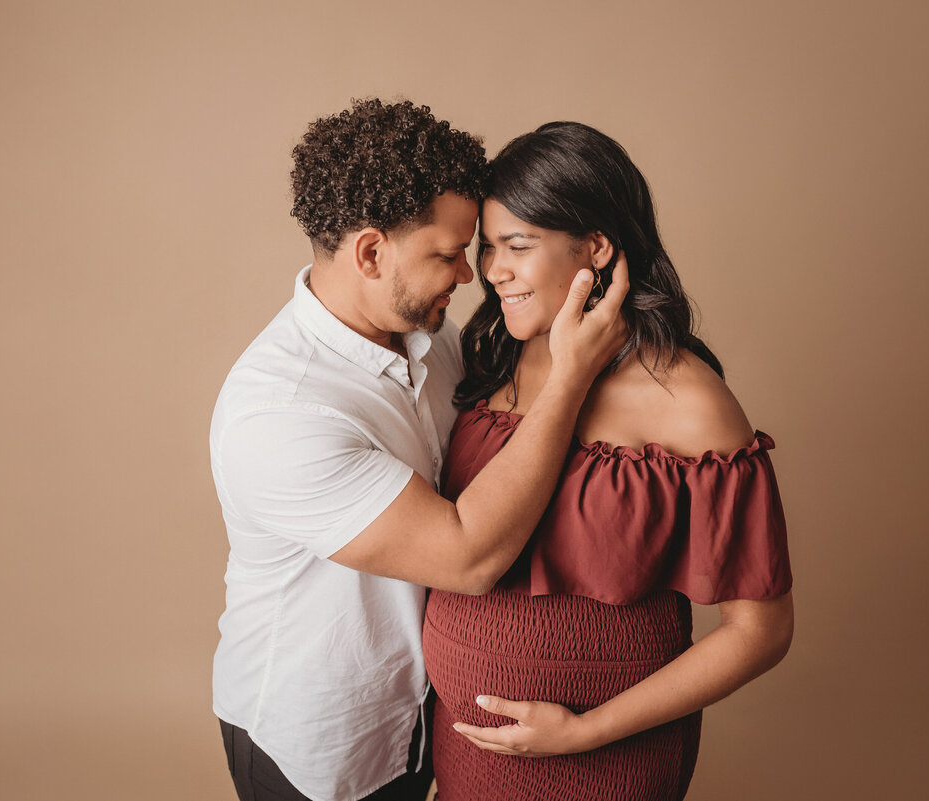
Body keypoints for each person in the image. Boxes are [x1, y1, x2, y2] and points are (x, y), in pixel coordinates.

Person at [209, 101, 629, 801]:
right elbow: (468, 554)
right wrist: (573, 377)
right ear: (371, 252)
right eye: (447, 253)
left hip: (422, 721)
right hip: (317, 746)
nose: (470, 275)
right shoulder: (280, 412)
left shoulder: (435, 340)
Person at [422, 122, 795, 800]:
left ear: (595, 246)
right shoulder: (497, 354)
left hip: (604, 765)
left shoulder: (686, 400)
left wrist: (586, 731)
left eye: (517, 245)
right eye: (487, 247)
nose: (492, 270)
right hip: (465, 752)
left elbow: (762, 631)